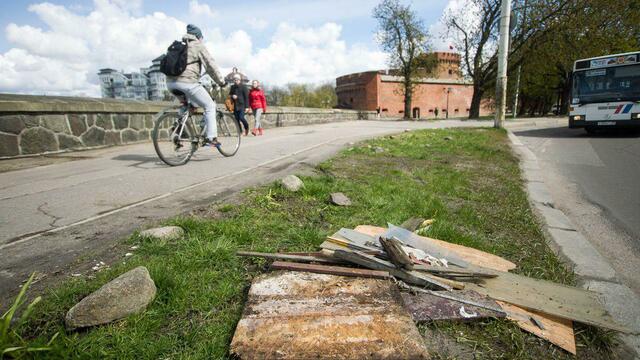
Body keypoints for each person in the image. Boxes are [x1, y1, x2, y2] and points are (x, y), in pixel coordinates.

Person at [165, 24, 226, 147]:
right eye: (202, 37)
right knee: (210, 105)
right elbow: (210, 65)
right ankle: (211, 138)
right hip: (187, 83)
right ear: (198, 36)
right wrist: (221, 82)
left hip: (171, 84)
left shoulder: (176, 46)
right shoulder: (198, 45)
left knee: (188, 106)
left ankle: (178, 130)